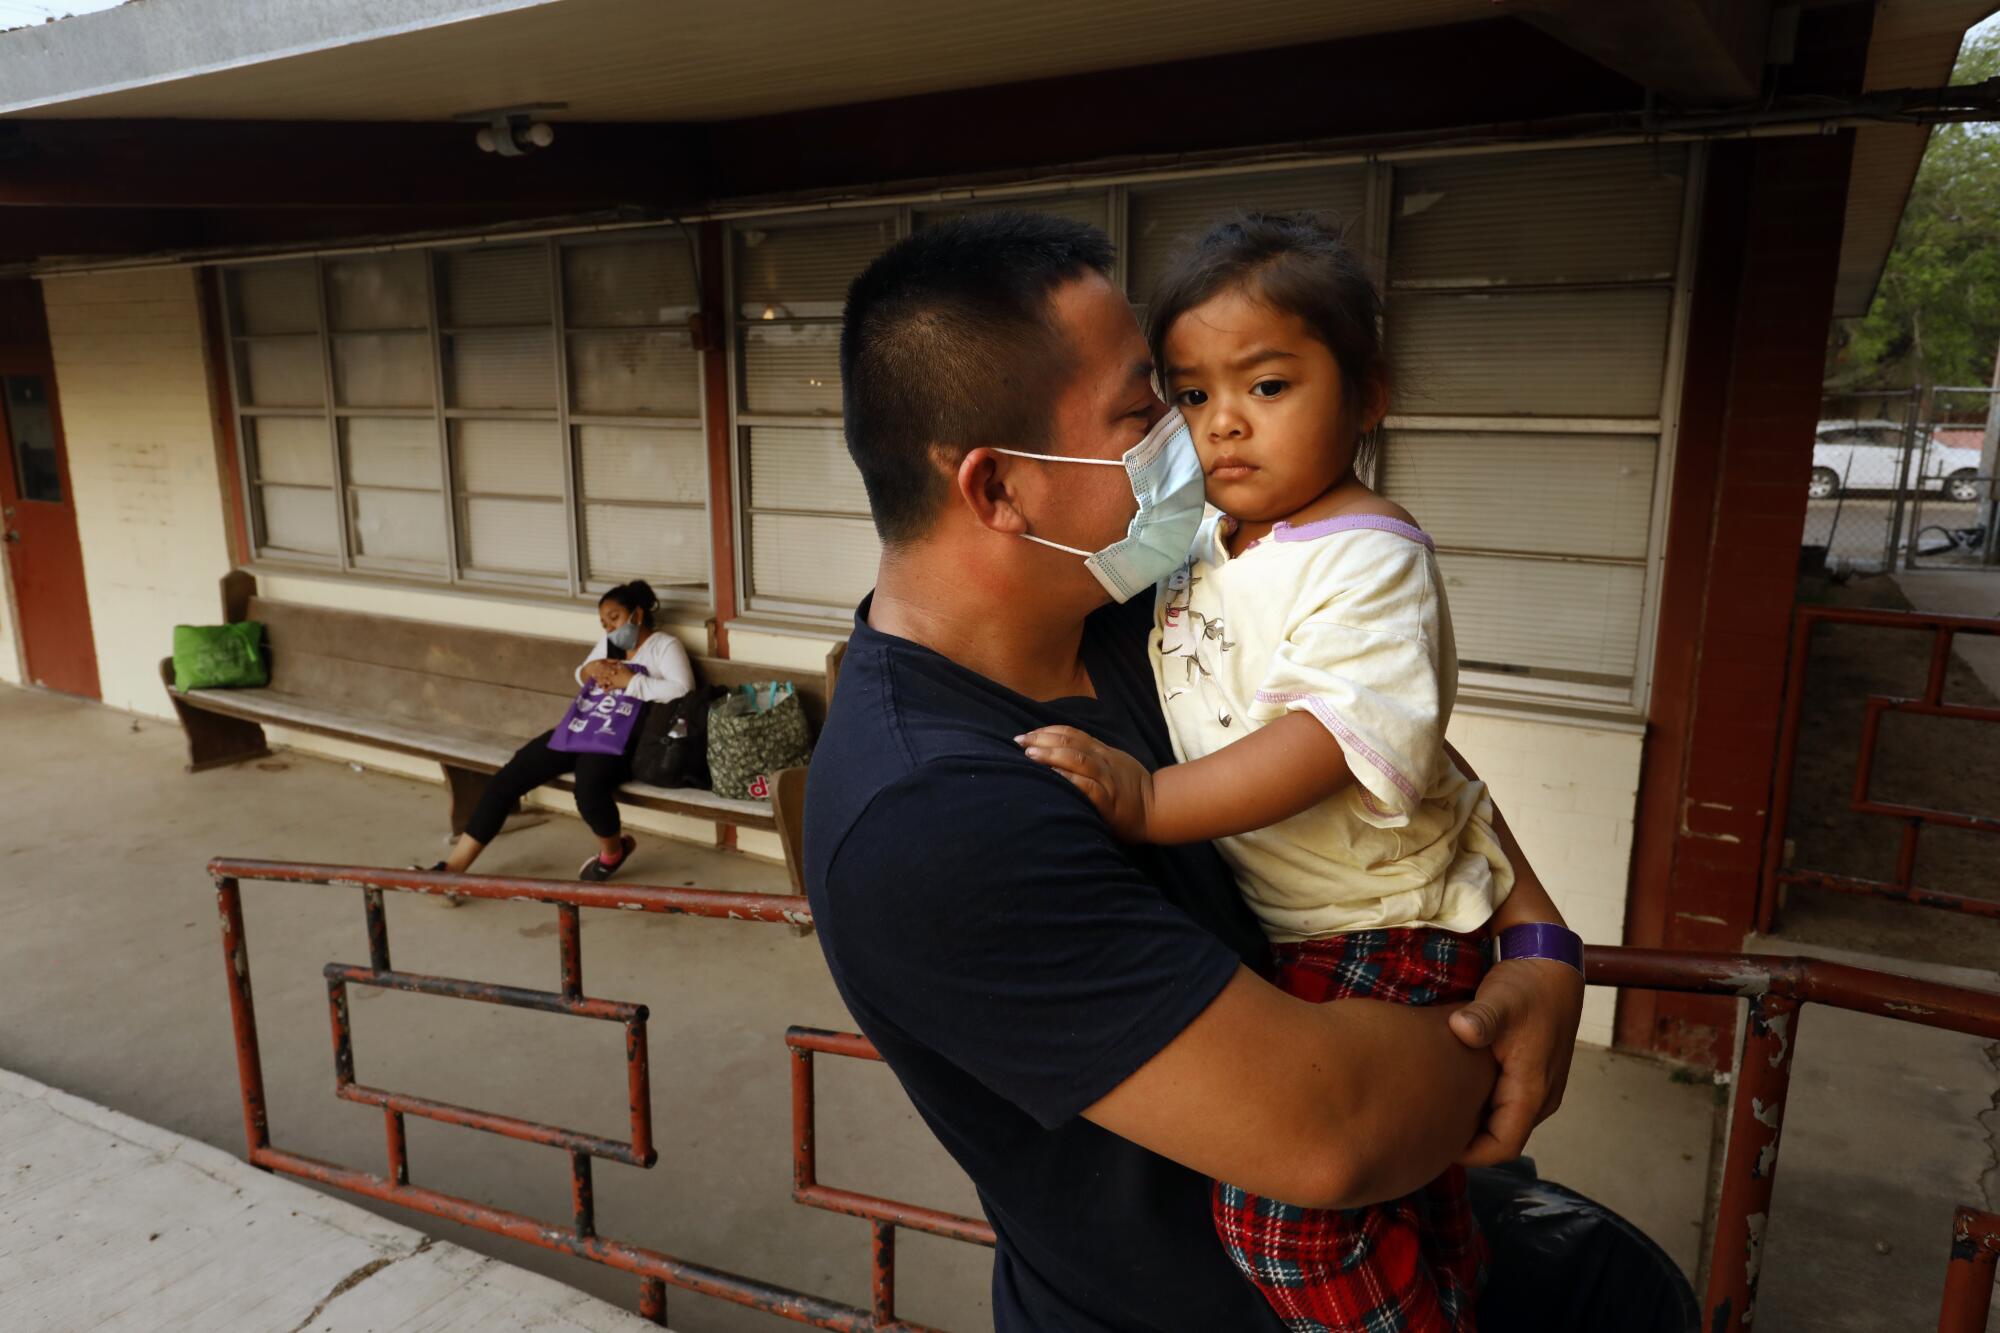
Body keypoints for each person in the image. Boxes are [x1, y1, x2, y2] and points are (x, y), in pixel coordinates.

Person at [804, 211, 1585, 1332]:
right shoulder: (927, 817)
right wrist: (1509, 1030)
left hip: (1403, 1209)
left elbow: (1381, 731)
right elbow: (1334, 1134)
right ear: (997, 490)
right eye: (1151, 406)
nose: (1200, 436)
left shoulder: (1131, 603)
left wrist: (1539, 938)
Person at [1018, 212, 1555, 1331]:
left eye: (1266, 386)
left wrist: (1150, 799)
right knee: (1414, 1187)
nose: (1222, 426)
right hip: (1309, 917)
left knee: (1287, 1216)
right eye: (1189, 394)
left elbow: (1320, 738)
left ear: (1367, 396)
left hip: (1379, 916)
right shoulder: (1210, 547)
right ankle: (1453, 1286)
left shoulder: (1367, 556)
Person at [428, 580, 693, 883]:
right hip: (585, 726)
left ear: (637, 615)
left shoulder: (664, 646)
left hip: (624, 738)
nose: (609, 628)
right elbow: (582, 672)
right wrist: (589, 670)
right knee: (510, 777)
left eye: (615, 618)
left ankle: (612, 853)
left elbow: (683, 689)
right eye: (605, 623)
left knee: (588, 787)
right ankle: (453, 868)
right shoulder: (612, 645)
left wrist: (630, 683)